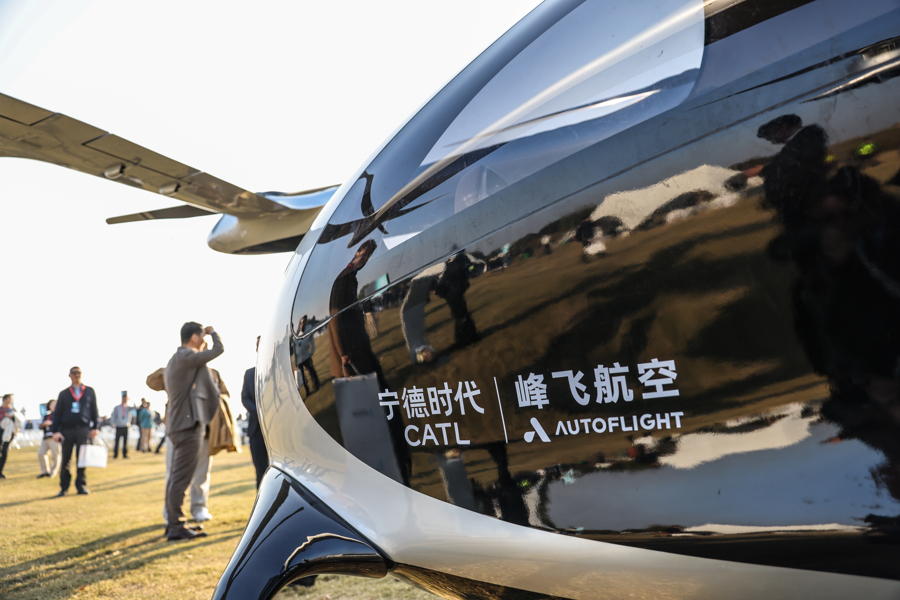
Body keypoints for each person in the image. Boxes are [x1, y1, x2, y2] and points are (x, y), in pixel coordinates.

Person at [163, 322, 223, 541]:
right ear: (195, 338)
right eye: (201, 337)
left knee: (176, 478)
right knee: (181, 479)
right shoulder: (187, 357)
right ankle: (176, 526)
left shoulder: (177, 359)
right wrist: (212, 332)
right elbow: (218, 350)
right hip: (187, 427)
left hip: (178, 425)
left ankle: (175, 523)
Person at [51, 367, 99, 496]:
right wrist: (55, 431)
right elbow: (57, 413)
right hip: (67, 430)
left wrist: (95, 427)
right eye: (74, 373)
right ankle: (64, 487)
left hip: (83, 429)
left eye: (79, 373)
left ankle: (81, 486)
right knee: (65, 459)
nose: (77, 375)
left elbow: (94, 410)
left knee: (82, 459)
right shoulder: (64, 393)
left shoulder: (89, 391)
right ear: (70, 375)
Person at [242, 336, 267, 488]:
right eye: (258, 345)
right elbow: (245, 398)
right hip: (256, 430)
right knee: (260, 472)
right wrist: (260, 414)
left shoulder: (278, 370)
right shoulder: (249, 373)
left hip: (276, 430)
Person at [294, 316, 319, 396]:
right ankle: (307, 391)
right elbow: (295, 349)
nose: (303, 323)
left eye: (304, 321)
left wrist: (312, 351)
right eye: (302, 322)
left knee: (312, 371)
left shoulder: (308, 329)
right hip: (299, 359)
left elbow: (312, 340)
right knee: (302, 376)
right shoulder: (297, 335)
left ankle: (316, 384)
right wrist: (296, 362)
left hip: (306, 356)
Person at [0, 394, 23, 479]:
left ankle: (0, 471)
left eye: (11, 399)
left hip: (8, 433)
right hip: (0, 431)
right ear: (4, 399)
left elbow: (18, 421)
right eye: (9, 398)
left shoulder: (13, 410)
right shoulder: (1, 409)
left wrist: (11, 417)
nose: (11, 400)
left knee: (4, 451)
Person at [37, 399, 61, 478]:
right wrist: (43, 424)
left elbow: (62, 424)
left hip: (55, 437)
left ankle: (53, 472)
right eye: (52, 404)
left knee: (55, 455)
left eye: (55, 404)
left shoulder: (60, 415)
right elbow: (40, 426)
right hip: (46, 437)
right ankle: (44, 471)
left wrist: (51, 423)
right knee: (41, 453)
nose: (54, 405)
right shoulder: (46, 416)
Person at [109, 394, 132, 459]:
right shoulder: (117, 407)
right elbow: (113, 415)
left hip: (126, 426)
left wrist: (130, 400)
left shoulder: (128, 408)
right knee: (117, 441)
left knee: (125, 442)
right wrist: (112, 423)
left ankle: (125, 454)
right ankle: (115, 455)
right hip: (119, 426)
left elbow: (135, 407)